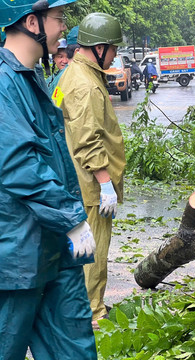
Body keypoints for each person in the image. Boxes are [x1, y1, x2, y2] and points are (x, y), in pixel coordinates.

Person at [0, 1, 97, 359]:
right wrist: (72, 219)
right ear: (30, 22)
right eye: (58, 19)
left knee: (74, 349)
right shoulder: (3, 85)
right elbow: (18, 165)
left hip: (53, 250)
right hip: (16, 256)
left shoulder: (32, 77)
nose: (63, 28)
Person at [53, 12, 127, 328]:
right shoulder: (86, 85)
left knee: (78, 251)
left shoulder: (73, 74)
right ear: (99, 47)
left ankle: (79, 309)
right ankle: (92, 313)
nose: (113, 56)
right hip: (90, 187)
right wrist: (105, 182)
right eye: (111, 49)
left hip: (73, 180)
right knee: (92, 253)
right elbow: (87, 140)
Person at [48, 26, 79, 97]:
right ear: (54, 58)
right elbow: (56, 102)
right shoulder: (54, 79)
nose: (65, 61)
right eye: (60, 56)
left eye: (67, 56)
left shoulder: (64, 75)